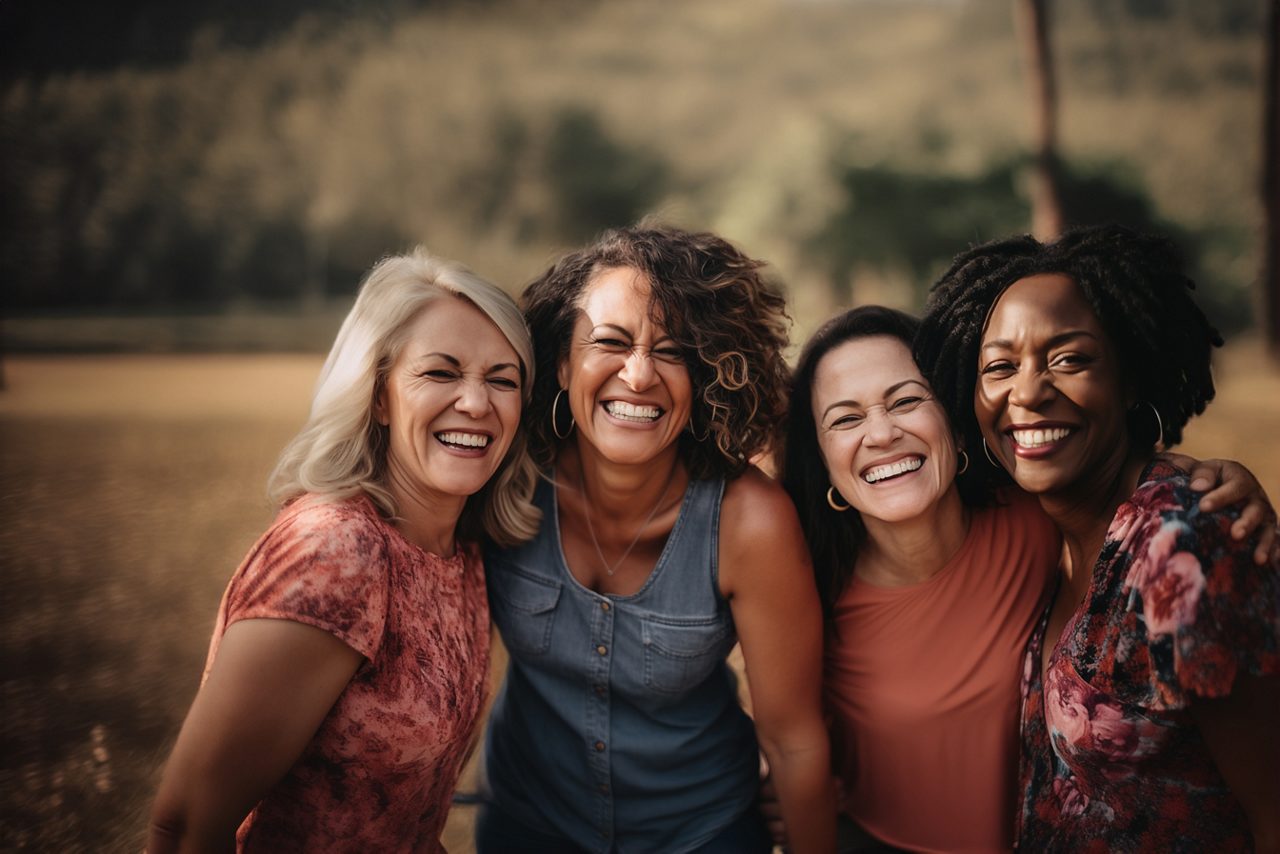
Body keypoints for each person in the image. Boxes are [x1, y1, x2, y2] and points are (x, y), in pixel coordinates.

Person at [775, 304, 1273, 853]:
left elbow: (1134, 490)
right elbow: (792, 740)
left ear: (954, 421)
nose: (882, 433)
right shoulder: (807, 582)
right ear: (821, 461)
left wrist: (1214, 478)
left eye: (907, 400)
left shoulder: (1039, 521)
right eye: (845, 419)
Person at [148, 249, 540, 852]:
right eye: (441, 372)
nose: (476, 403)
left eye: (502, 379)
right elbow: (184, 826)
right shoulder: (337, 551)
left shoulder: (459, 551)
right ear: (378, 396)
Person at [915, 224, 1280, 851]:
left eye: (1069, 359)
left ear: (1131, 374)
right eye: (999, 366)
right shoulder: (1039, 526)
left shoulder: (1180, 545)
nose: (1027, 392)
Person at [478, 224, 834, 853]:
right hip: (528, 824)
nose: (638, 376)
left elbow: (793, 738)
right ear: (562, 361)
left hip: (701, 832)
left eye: (673, 352)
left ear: (707, 377)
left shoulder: (750, 521)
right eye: (610, 343)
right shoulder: (506, 478)